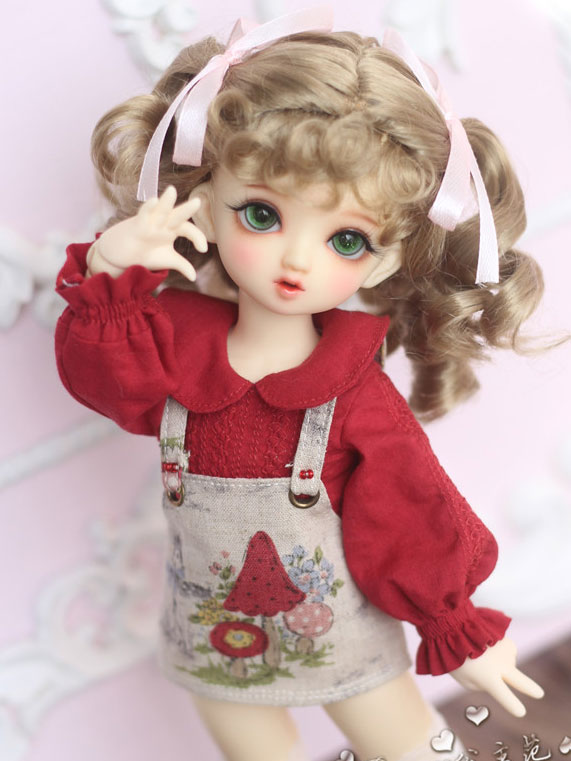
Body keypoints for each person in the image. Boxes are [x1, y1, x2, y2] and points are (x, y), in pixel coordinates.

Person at [55, 8, 545, 761]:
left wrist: (453, 624)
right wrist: (110, 280)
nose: (296, 261)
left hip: (341, 632)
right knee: (251, 747)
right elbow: (105, 384)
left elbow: (408, 510)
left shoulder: (350, 394)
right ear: (203, 202)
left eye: (346, 238)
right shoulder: (169, 347)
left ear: (385, 258)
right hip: (210, 632)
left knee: (406, 744)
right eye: (262, 214)